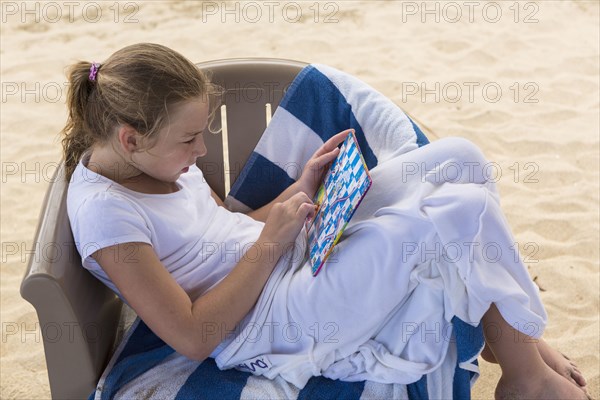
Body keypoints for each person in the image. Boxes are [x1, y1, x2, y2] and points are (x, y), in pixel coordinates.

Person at [63, 43, 589, 399]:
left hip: (287, 259)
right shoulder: (108, 219)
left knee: (460, 158)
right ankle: (525, 375)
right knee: (454, 216)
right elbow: (196, 337)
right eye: (189, 139)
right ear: (131, 138)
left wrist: (302, 188)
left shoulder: (152, 158)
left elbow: (218, 230)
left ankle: (513, 343)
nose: (201, 150)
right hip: (268, 324)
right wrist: (270, 245)